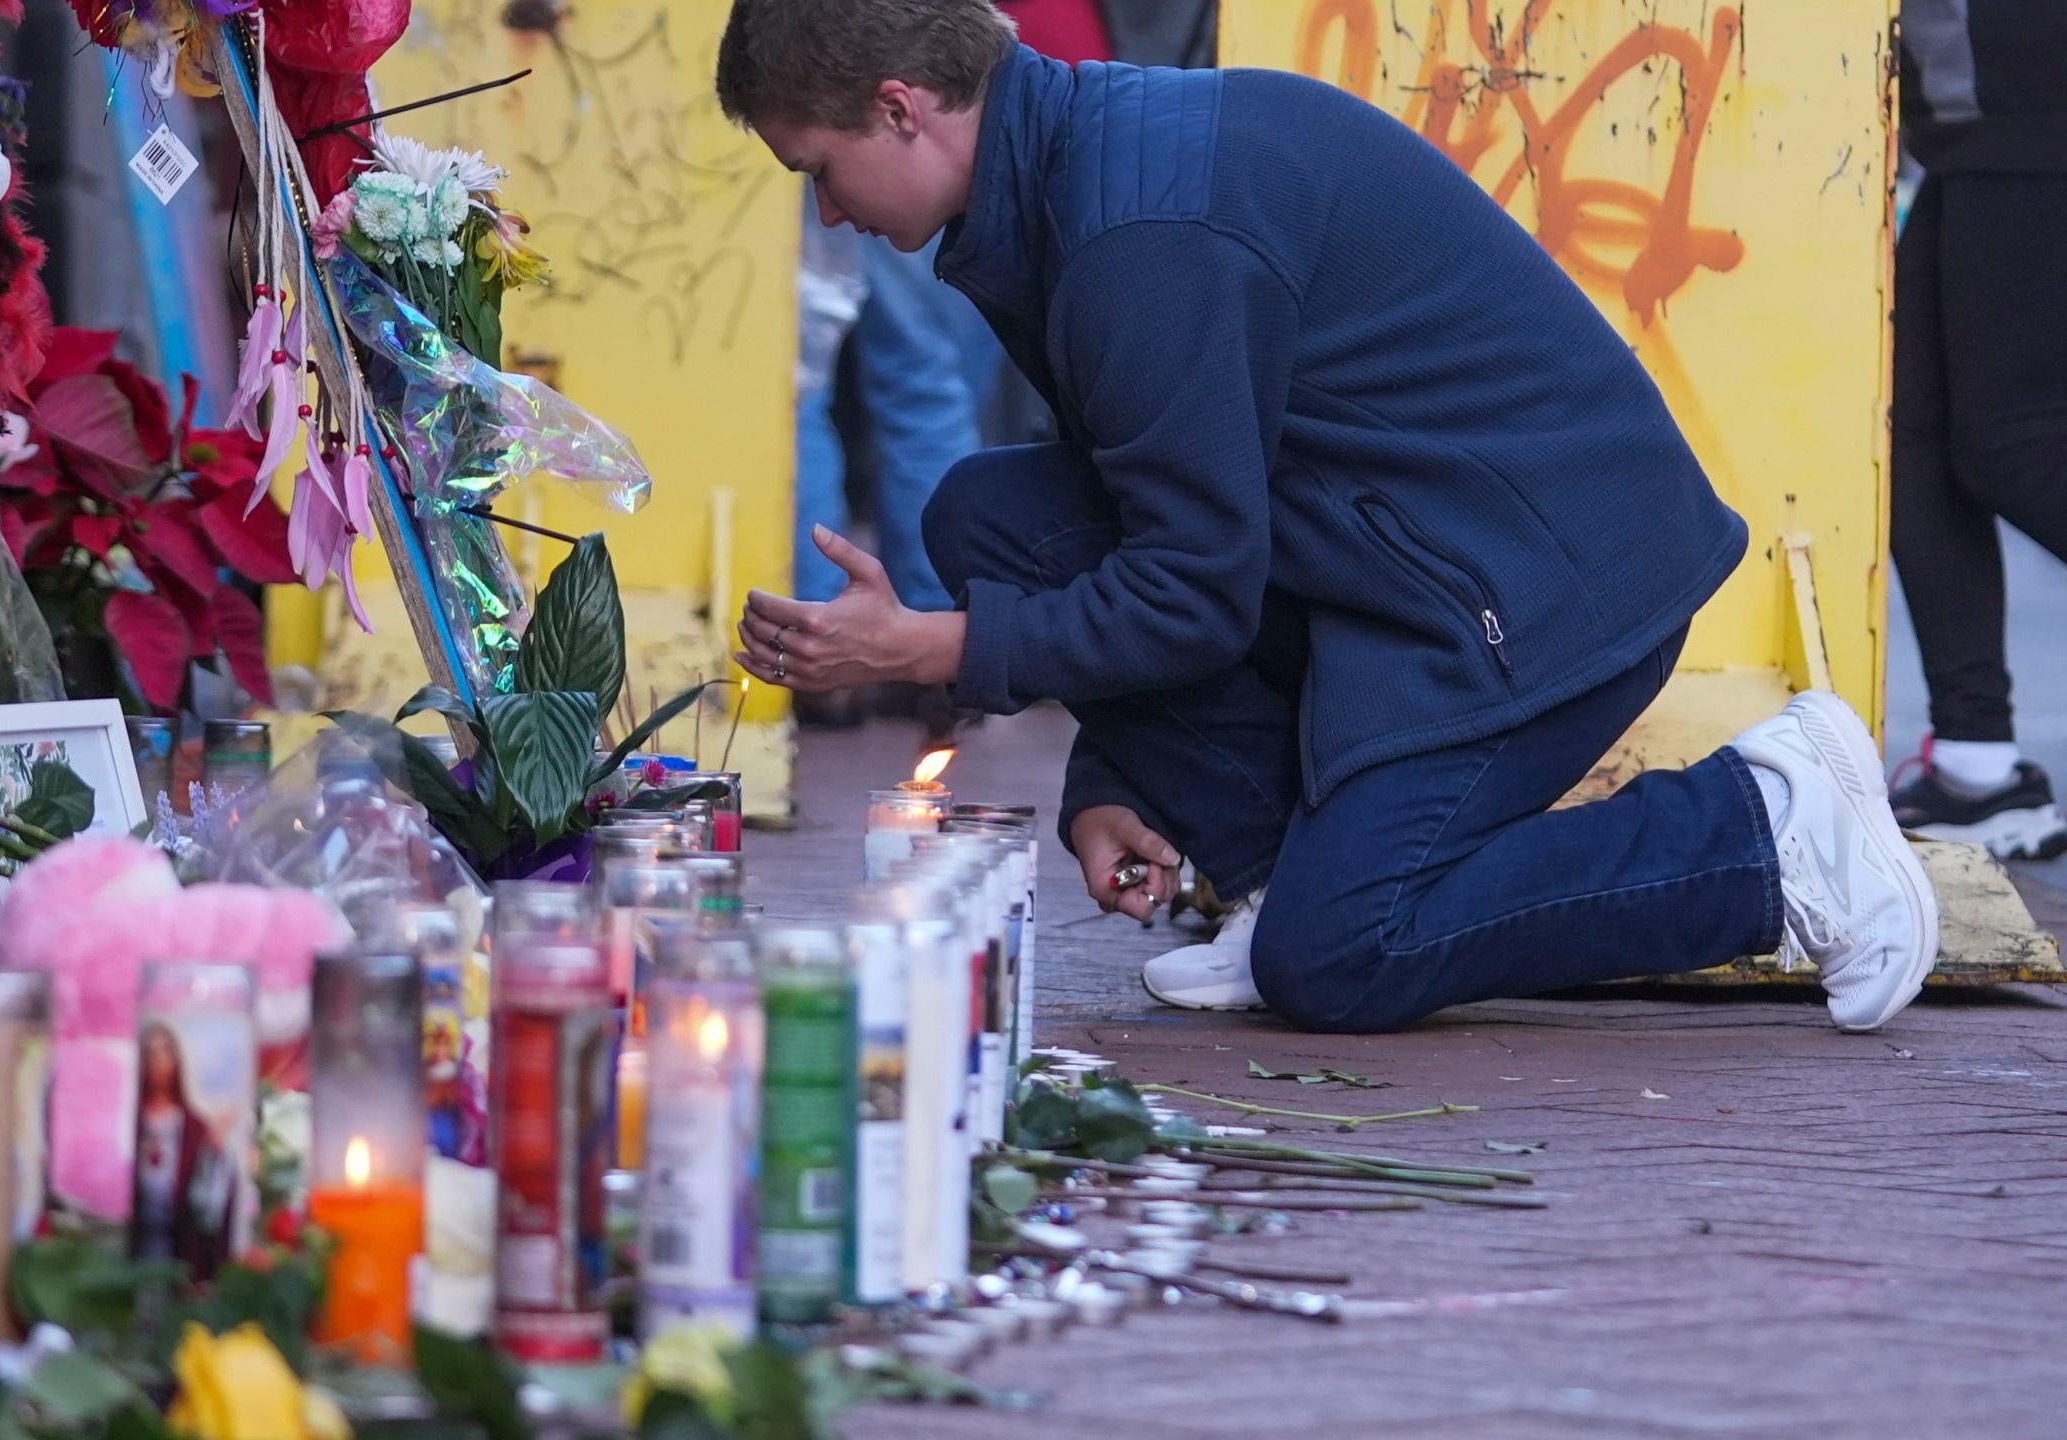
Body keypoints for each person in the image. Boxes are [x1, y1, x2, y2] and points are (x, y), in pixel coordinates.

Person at [717, 0, 1943, 1034]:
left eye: (814, 171)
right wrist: (1110, 778)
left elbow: (1191, 589)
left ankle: (1768, 830)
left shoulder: (1136, 229)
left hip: (1546, 592)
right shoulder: (1070, 174)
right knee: (991, 512)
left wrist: (937, 647)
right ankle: (1270, 881)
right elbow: (1162, 521)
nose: (825, 215)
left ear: (897, 107)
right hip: (1405, 555)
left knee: (1346, 955)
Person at [1886, 2, 2067, 861]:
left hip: (2027, 104)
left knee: (2012, 443)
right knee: (1907, 434)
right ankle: (1974, 765)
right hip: (1972, 128)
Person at [132, 1020, 240, 1279]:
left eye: (165, 1052)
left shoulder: (193, 1128)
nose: (157, 1061)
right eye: (150, 1053)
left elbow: (211, 1202)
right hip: (137, 1245)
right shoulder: (130, 1123)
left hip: (179, 1250)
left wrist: (213, 1153)